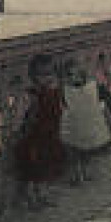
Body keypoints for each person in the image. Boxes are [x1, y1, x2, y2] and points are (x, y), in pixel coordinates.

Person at [14, 54, 66, 209]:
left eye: (50, 74)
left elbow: (60, 110)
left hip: (50, 135)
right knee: (33, 169)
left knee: (46, 167)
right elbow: (22, 115)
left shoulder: (55, 92)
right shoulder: (32, 95)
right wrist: (19, 130)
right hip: (34, 138)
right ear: (33, 77)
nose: (47, 79)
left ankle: (42, 195)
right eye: (42, 75)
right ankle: (31, 199)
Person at [59, 58, 111, 184]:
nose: (72, 79)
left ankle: (86, 172)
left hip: (86, 123)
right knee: (74, 151)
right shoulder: (65, 90)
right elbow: (64, 105)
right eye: (68, 75)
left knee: (87, 151)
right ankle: (78, 174)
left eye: (74, 75)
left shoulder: (92, 86)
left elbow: (104, 101)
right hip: (73, 125)